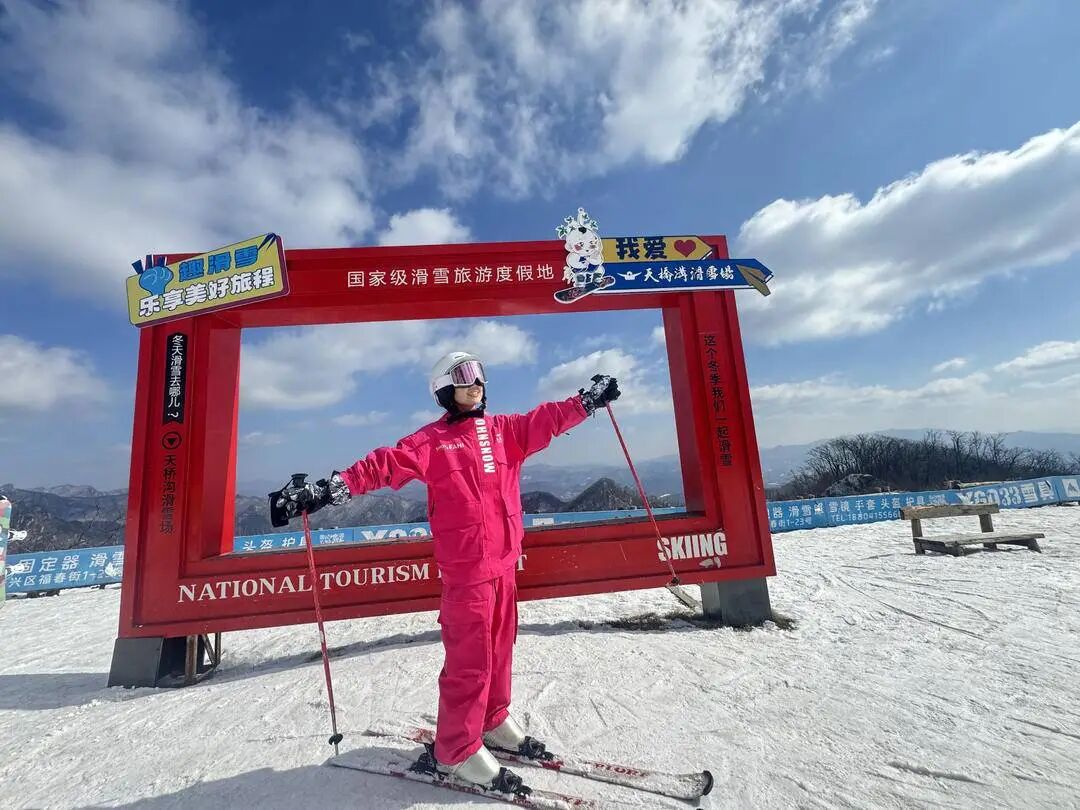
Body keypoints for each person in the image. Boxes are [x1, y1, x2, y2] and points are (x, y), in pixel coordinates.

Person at [269, 351, 620, 794]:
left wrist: (586, 401)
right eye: (463, 376)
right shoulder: (433, 441)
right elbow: (385, 463)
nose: (475, 383)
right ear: (444, 389)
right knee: (470, 662)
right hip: (468, 572)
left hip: (504, 565)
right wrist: (328, 490)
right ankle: (455, 751)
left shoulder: (505, 431)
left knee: (500, 651)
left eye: (479, 374)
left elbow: (546, 419)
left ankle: (491, 720)